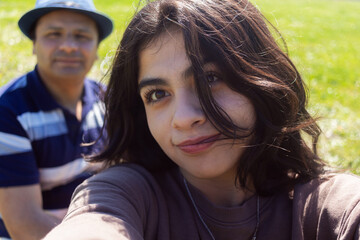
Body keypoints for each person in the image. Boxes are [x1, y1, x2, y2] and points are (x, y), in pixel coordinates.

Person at [45, 0, 360, 239]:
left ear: (261, 78)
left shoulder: (327, 207)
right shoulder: (125, 193)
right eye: (157, 94)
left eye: (210, 78)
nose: (183, 118)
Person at [0, 0, 113, 239]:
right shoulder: (8, 112)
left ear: (96, 47)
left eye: (82, 36)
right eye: (54, 34)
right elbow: (24, 225)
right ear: (34, 44)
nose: (69, 46)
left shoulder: (107, 100)